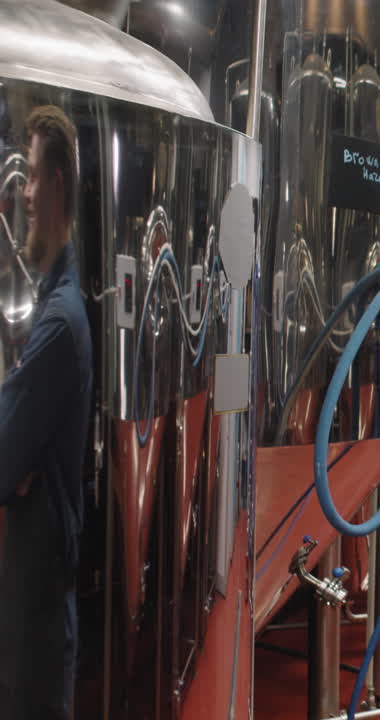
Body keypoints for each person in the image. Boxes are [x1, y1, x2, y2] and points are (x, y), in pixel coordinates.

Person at [0, 105, 93, 720]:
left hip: (37, 604)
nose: (23, 194)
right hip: (33, 593)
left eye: (30, 176)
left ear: (56, 182)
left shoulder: (59, 323)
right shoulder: (61, 298)